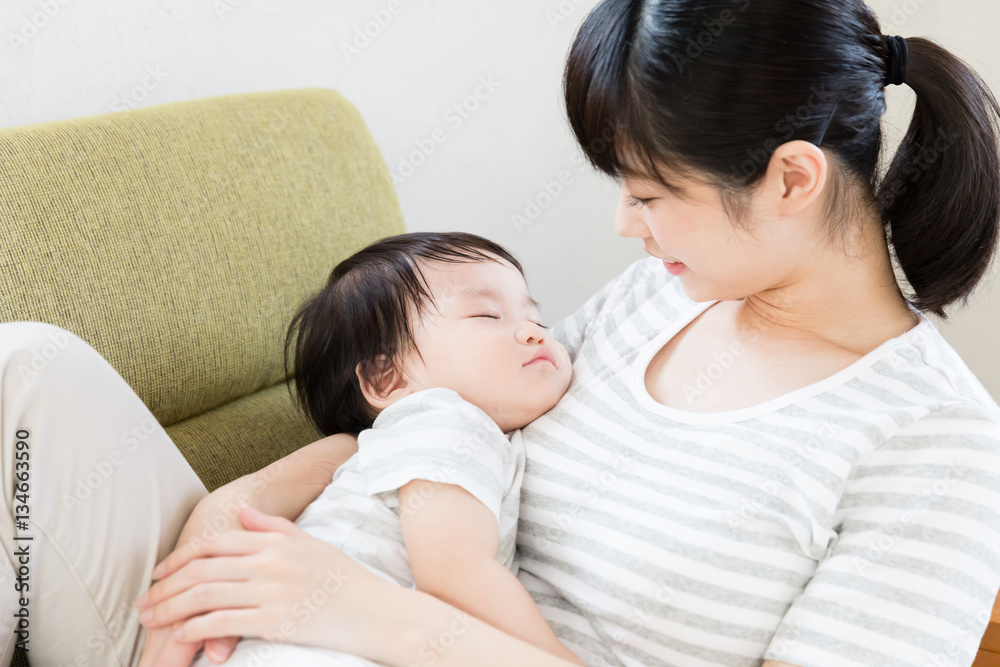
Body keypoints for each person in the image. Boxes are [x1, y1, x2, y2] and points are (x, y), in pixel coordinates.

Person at [5, 0, 1000, 665]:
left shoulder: (937, 450)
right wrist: (242, 502)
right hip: (302, 617)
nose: (625, 224)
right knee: (27, 370)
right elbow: (444, 422)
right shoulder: (658, 296)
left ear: (790, 178)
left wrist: (366, 613)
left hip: (354, 626)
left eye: (650, 192)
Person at [186, 232, 581, 666]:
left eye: (537, 319)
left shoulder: (388, 445)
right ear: (387, 379)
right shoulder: (449, 419)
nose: (532, 333)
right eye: (488, 315)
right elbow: (454, 572)